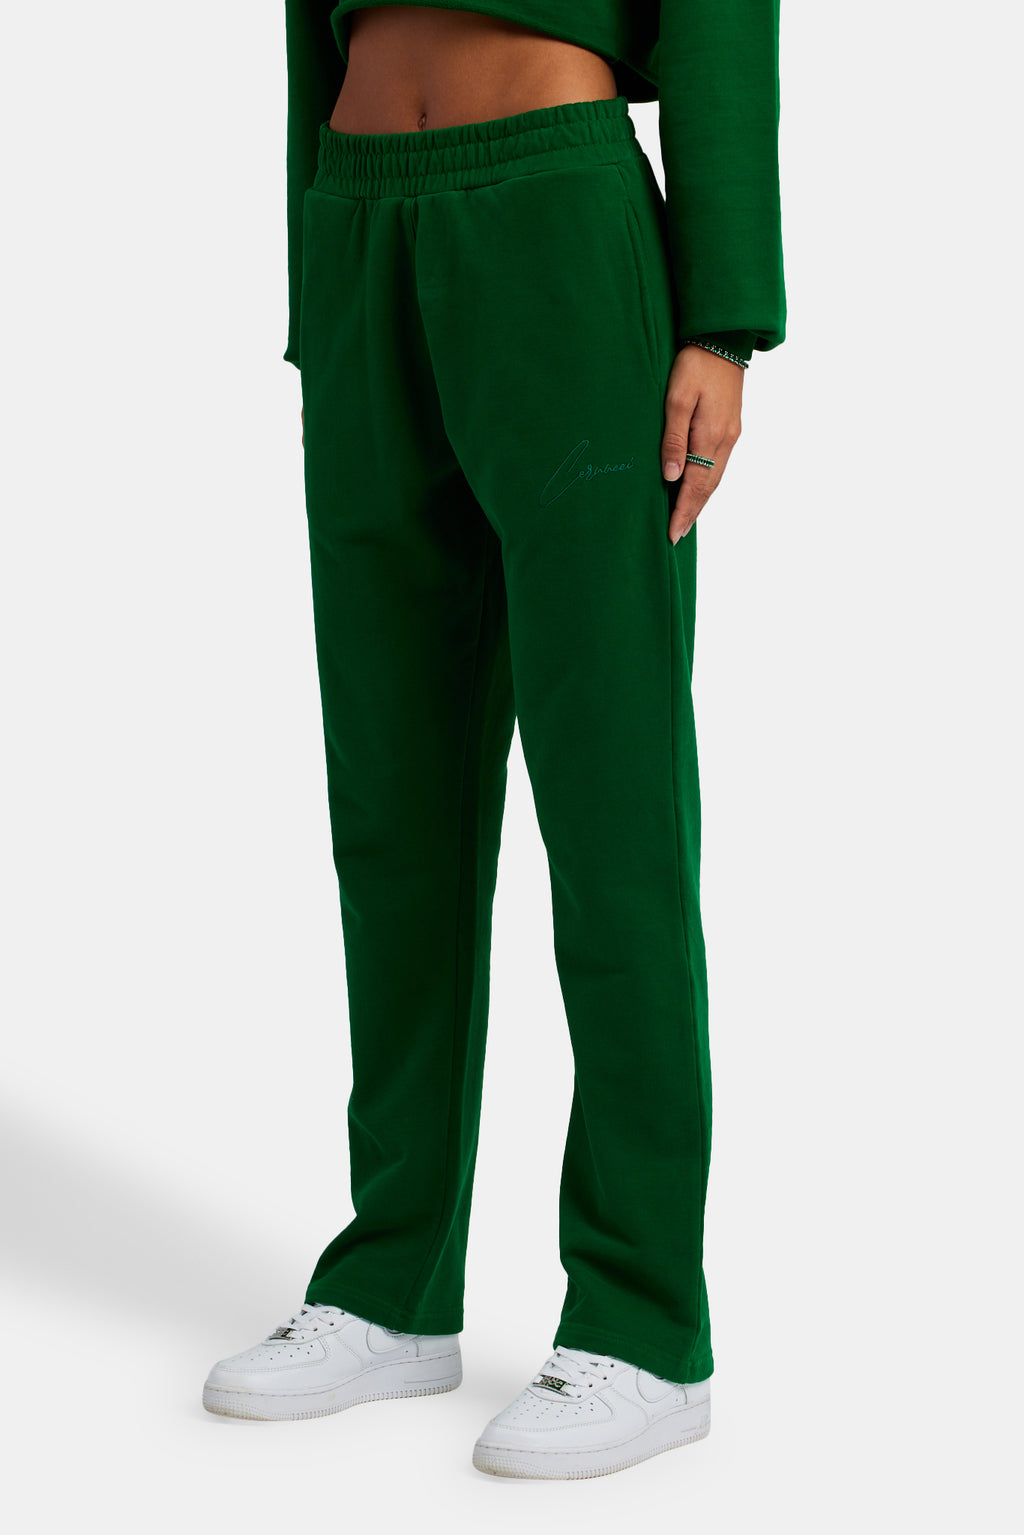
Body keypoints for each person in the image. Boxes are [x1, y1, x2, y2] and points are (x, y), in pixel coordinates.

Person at [203, 2, 786, 1480]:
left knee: (613, 802)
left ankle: (644, 1318)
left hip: (556, 214)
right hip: (358, 220)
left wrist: (723, 314)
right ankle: (392, 1282)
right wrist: (318, 299)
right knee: (391, 800)